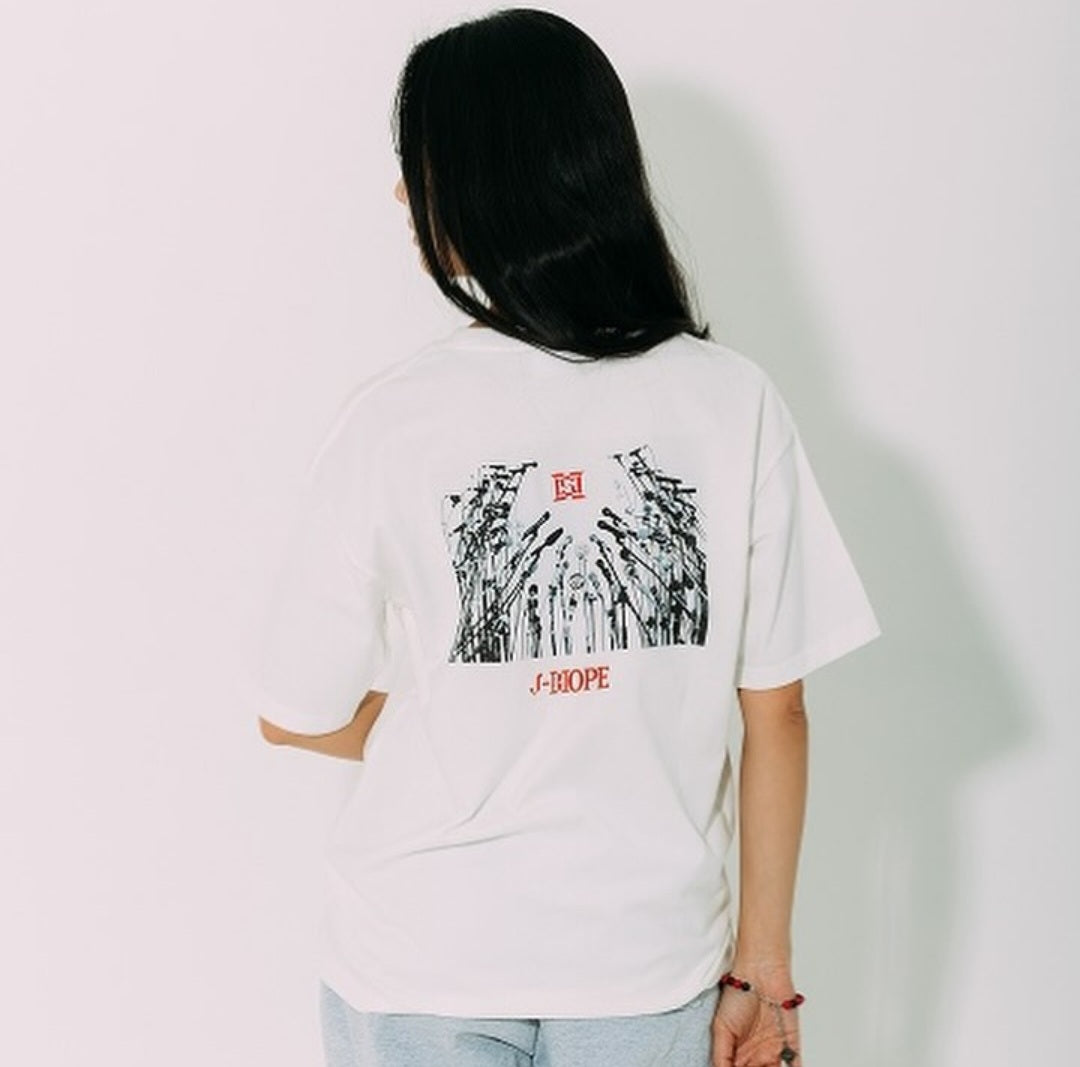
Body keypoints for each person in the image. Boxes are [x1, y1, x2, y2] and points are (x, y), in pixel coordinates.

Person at [251, 8, 882, 1067]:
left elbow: (291, 712)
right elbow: (777, 711)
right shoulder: (732, 403)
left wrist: (470, 715)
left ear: (484, 184)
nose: (405, 198)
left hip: (421, 955)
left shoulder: (394, 420)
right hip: (645, 964)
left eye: (421, 170)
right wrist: (763, 969)